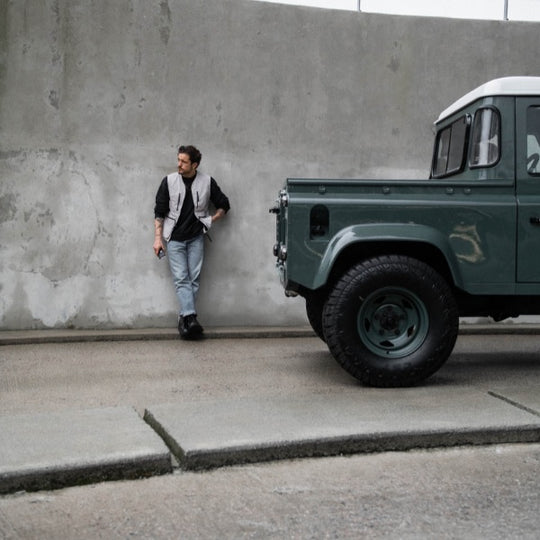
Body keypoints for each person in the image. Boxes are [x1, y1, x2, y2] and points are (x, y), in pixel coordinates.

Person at [153, 145, 230, 339]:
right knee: (181, 279)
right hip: (174, 239)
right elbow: (159, 211)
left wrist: (211, 219)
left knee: (193, 279)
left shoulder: (207, 181)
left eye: (183, 161)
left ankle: (184, 319)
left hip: (196, 237)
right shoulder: (169, 181)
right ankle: (191, 317)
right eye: (178, 160)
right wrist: (158, 239)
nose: (178, 164)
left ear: (194, 164)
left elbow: (224, 204)